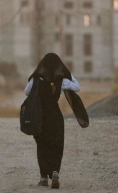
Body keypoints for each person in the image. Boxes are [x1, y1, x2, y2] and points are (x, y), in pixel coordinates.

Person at [24, 53, 81, 189]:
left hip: (40, 116)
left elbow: (26, 92)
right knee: (56, 144)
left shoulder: (37, 79)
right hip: (55, 116)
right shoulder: (61, 80)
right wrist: (67, 74)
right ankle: (55, 172)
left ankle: (43, 177)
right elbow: (77, 87)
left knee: (42, 145)